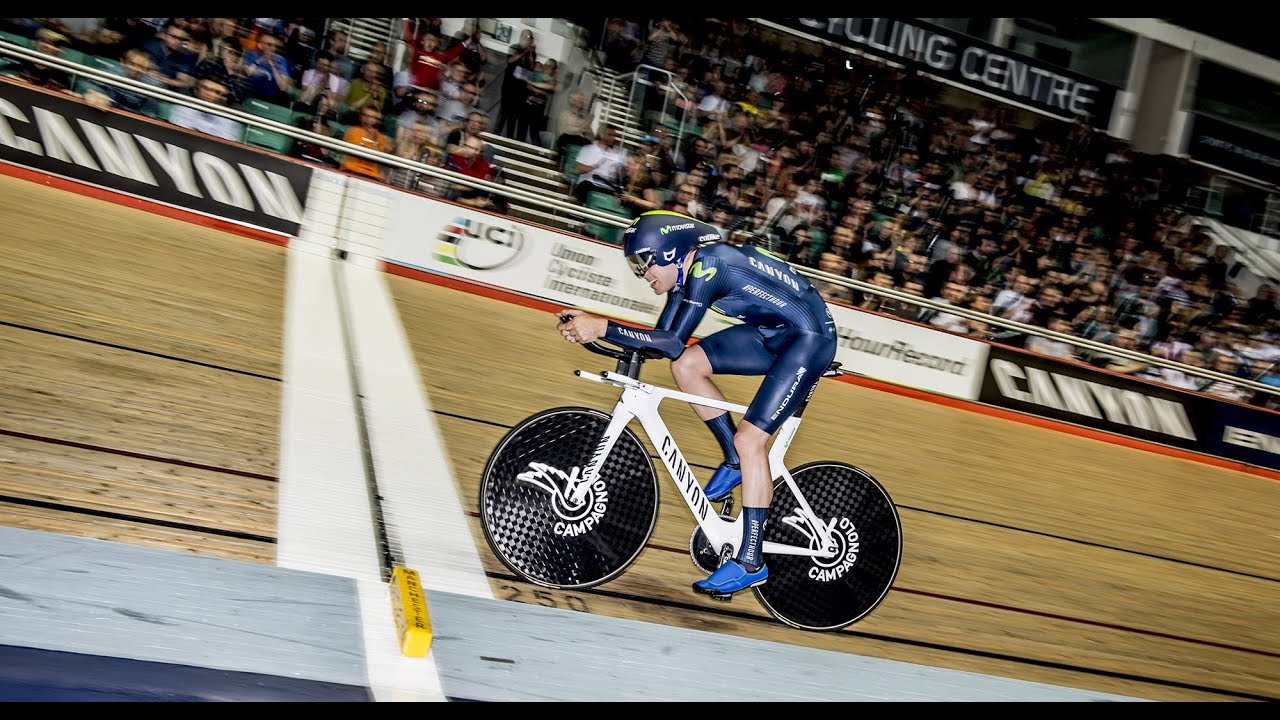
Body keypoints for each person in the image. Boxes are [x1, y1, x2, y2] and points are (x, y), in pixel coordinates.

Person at [556, 212, 837, 596]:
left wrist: (602, 326)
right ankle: (734, 460)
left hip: (808, 340)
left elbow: (668, 339)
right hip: (773, 333)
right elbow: (665, 345)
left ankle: (751, 561)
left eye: (644, 262)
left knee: (751, 440)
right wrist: (598, 331)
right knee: (687, 364)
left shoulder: (710, 265)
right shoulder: (687, 274)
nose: (643, 275)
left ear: (669, 251)